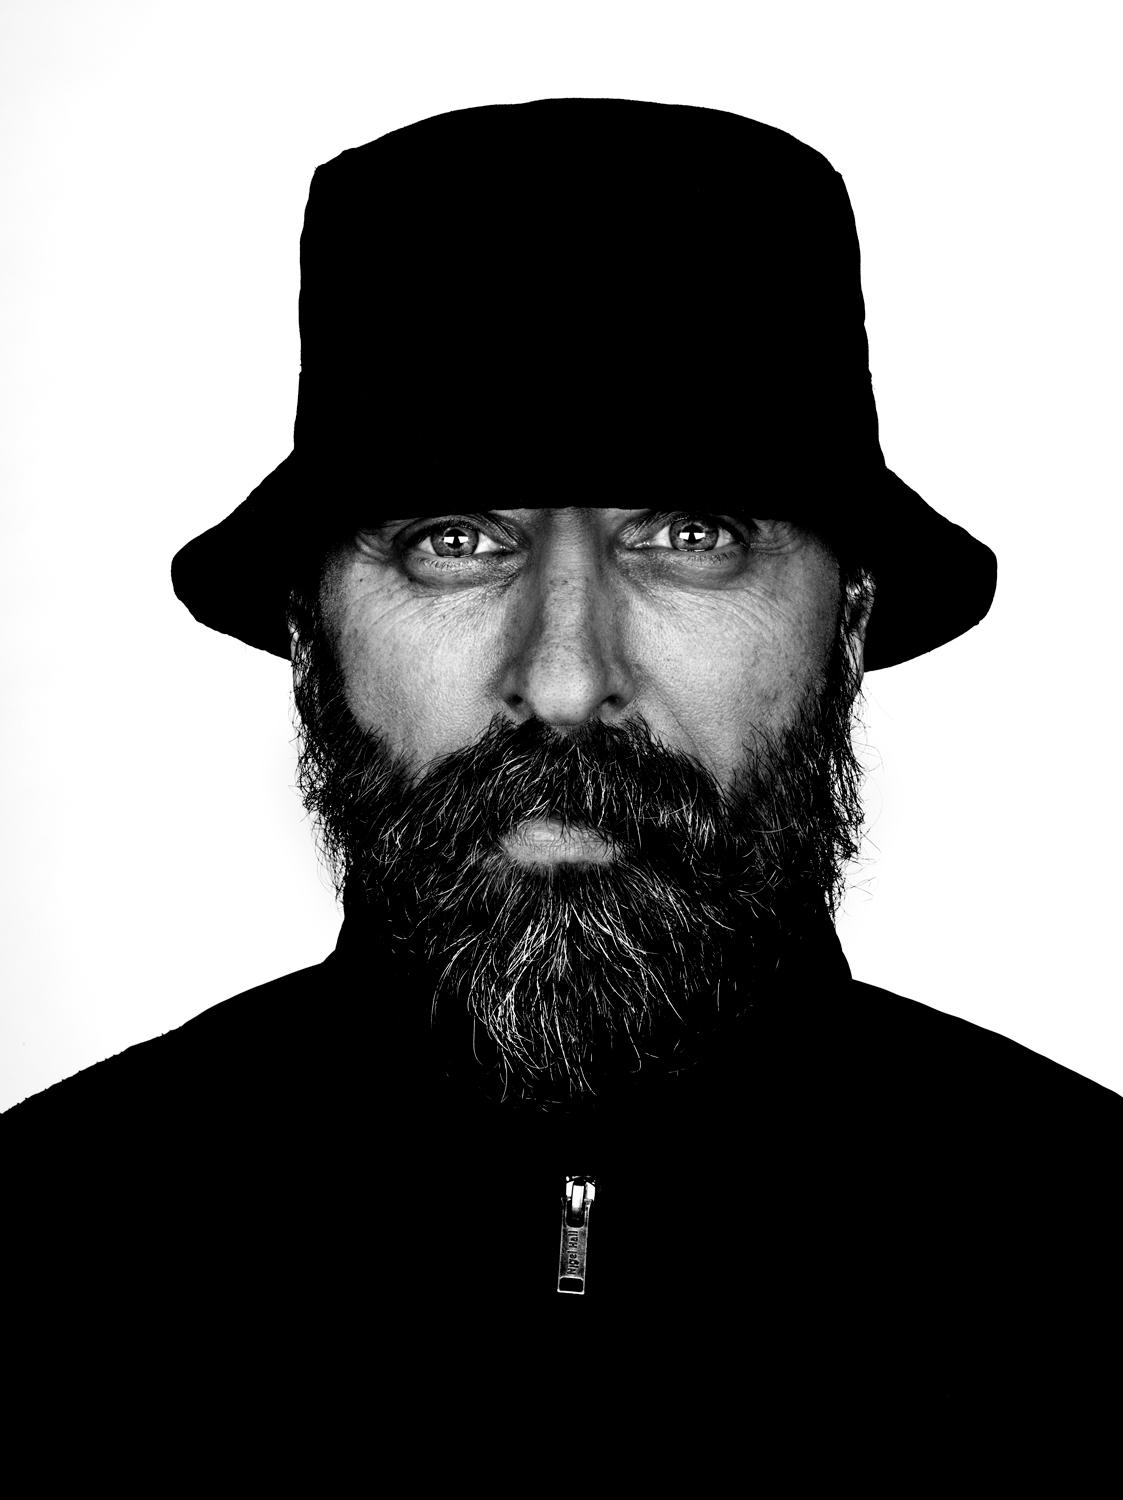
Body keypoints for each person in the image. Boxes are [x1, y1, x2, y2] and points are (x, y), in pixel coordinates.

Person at [6, 99, 1119, 1429]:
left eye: (690, 535)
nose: (566, 678)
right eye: (457, 541)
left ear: (850, 621)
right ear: (310, 632)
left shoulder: (1094, 1252)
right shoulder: (43, 1249)